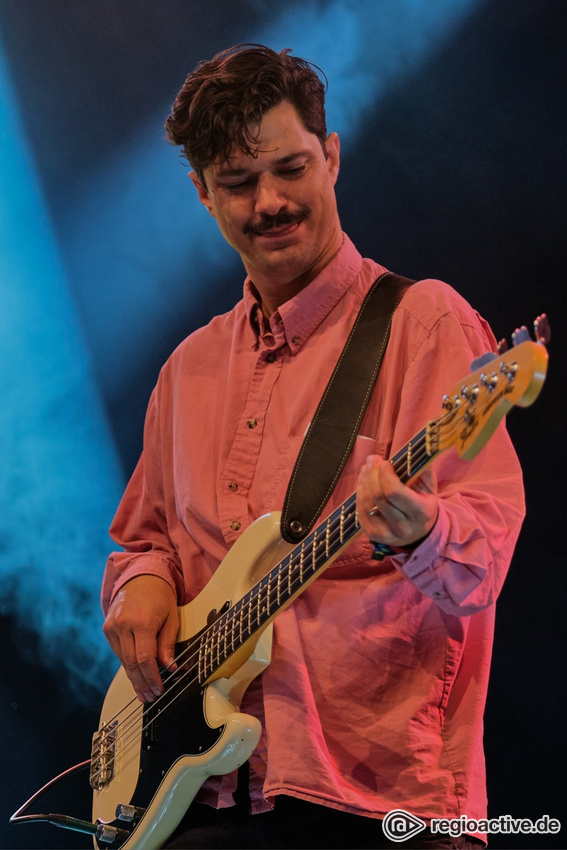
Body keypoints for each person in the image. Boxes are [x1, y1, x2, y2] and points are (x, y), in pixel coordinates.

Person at [101, 44, 525, 849]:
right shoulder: (186, 370)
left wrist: (420, 531)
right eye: (236, 183)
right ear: (200, 193)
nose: (269, 201)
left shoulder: (423, 322)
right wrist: (140, 590)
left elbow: (487, 547)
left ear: (330, 156)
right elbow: (141, 542)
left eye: (290, 168)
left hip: (376, 798)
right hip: (202, 794)